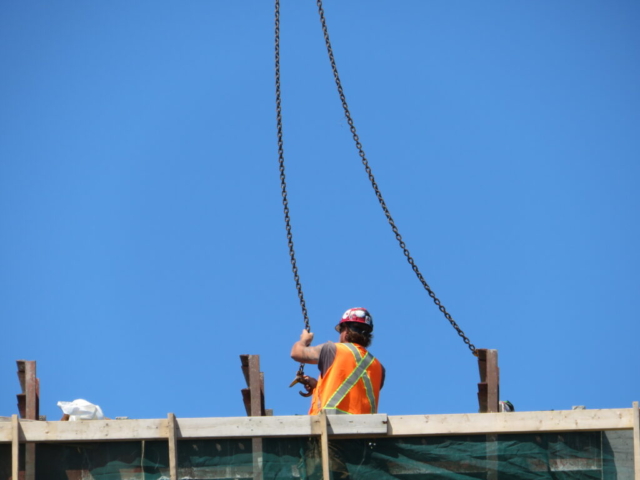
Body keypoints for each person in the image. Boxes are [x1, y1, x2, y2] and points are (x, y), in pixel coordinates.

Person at [290, 307, 385, 415]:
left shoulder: (333, 350)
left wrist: (304, 340)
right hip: (366, 429)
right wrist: (317, 386)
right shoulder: (378, 366)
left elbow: (296, 353)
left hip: (333, 426)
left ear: (345, 330)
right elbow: (354, 391)